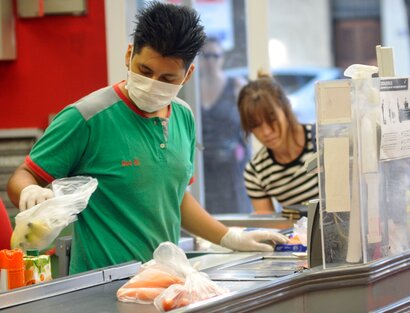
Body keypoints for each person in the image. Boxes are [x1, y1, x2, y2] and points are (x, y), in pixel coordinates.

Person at [6, 2, 286, 275]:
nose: (153, 83)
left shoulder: (184, 117)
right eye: (145, 71)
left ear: (188, 75)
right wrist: (30, 192)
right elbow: (23, 176)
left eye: (167, 78)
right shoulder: (87, 117)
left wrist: (229, 237)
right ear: (129, 55)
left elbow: (176, 198)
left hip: (163, 282)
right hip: (100, 290)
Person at [237, 72, 319, 214]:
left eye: (272, 119)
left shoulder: (320, 140)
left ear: (286, 108)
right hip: (296, 235)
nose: (266, 132)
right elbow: (270, 226)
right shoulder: (256, 172)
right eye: (255, 125)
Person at [199, 37, 251, 214]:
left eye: (215, 56)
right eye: (206, 56)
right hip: (203, 167)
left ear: (222, 58)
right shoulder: (191, 89)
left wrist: (243, 150)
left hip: (231, 169)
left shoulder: (236, 85)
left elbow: (250, 125)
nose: (210, 61)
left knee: (237, 217)